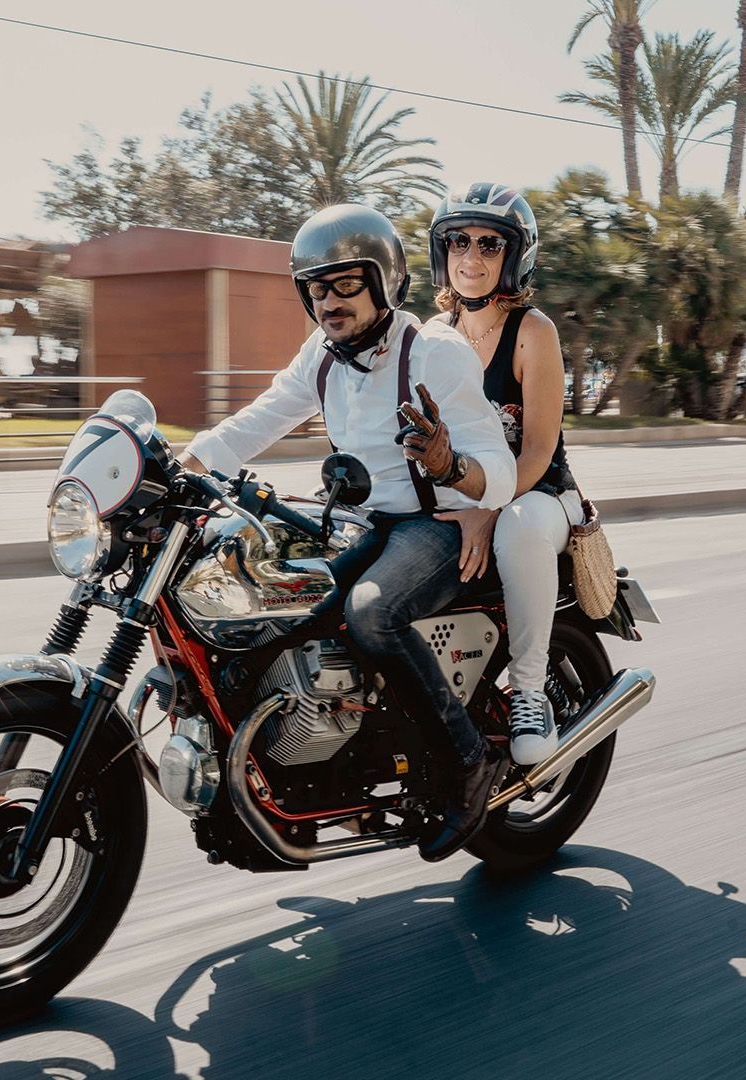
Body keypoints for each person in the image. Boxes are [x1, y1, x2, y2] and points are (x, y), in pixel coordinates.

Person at [178, 203, 517, 862]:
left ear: (383, 279)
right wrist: (181, 465)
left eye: (344, 284)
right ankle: (287, 770)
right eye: (316, 288)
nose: (328, 301)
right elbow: (264, 415)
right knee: (256, 593)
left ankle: (468, 763)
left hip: (433, 523)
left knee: (372, 615)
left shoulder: (436, 353)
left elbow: (498, 473)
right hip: (359, 519)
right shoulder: (325, 356)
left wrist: (452, 467)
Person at [424, 183, 584, 769]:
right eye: (458, 241)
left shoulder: (533, 331)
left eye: (489, 245)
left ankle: (531, 691)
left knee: (516, 527)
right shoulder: (433, 332)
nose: (471, 257)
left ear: (514, 256)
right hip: (467, 493)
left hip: (537, 496)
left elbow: (539, 450)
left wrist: (487, 510)